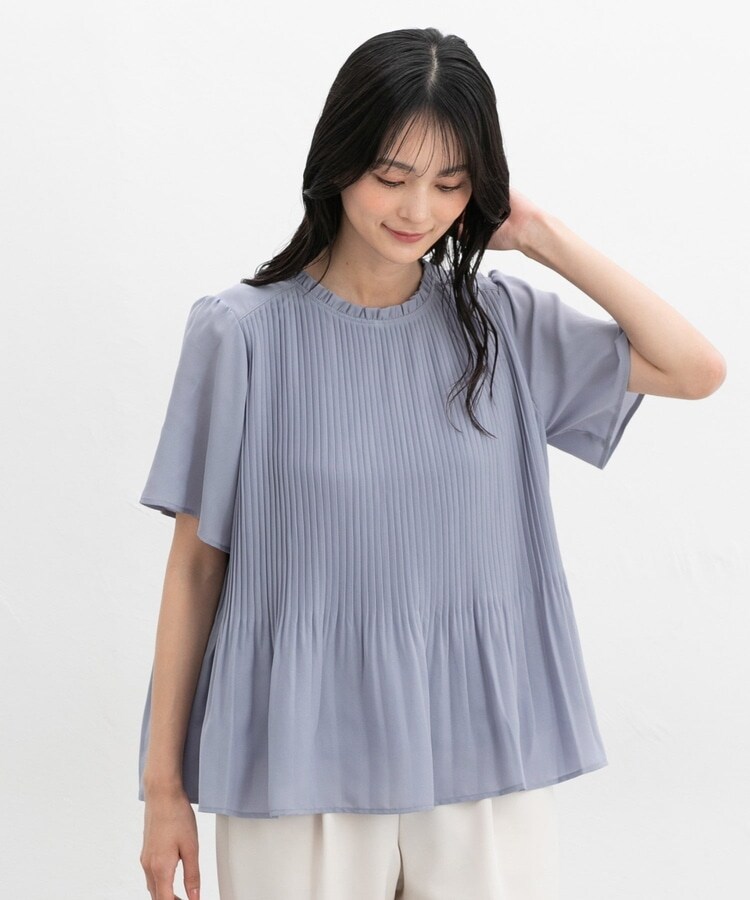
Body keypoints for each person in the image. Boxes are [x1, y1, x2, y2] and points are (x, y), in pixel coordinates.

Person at [136, 26, 726, 900]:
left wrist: (543, 235)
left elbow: (695, 369)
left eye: (451, 183)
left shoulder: (501, 325)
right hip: (296, 760)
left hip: (482, 754)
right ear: (338, 161)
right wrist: (164, 790)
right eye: (392, 176)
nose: (419, 209)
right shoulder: (242, 335)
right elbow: (195, 569)